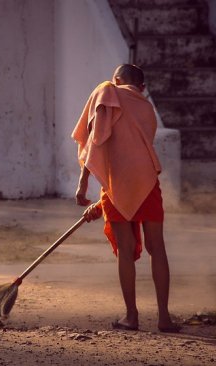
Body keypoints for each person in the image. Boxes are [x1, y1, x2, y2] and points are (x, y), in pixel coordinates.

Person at [71, 64, 181, 333]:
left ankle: (131, 317)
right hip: (147, 181)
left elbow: (97, 140)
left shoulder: (107, 92)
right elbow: (134, 150)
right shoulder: (146, 107)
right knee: (158, 247)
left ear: (117, 79)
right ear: (141, 87)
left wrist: (83, 182)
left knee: (125, 250)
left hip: (117, 181)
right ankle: (164, 318)